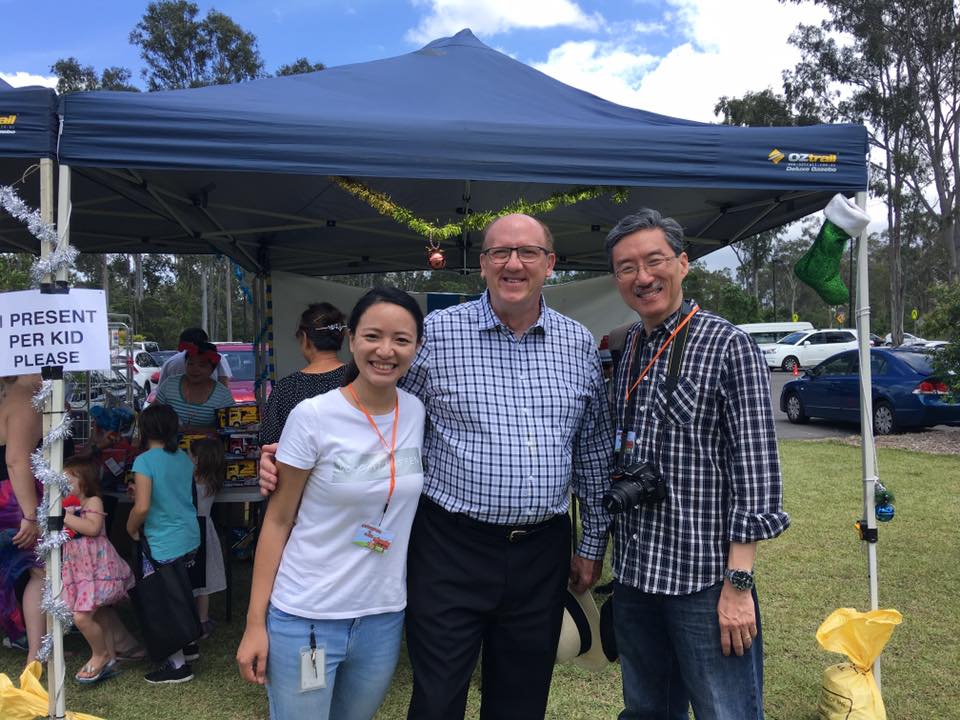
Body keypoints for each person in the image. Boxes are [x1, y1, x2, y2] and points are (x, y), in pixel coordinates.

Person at [259, 214, 612, 720]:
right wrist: (293, 453)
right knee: (438, 697)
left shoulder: (578, 344)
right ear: (483, 264)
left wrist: (592, 542)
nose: (513, 263)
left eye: (528, 252)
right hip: (450, 548)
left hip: (542, 551)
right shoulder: (435, 336)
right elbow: (370, 403)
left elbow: (592, 449)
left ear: (550, 263)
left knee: (523, 697)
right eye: (500, 252)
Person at [604, 208, 790, 720]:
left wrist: (739, 586)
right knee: (646, 710)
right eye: (626, 267)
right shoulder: (628, 346)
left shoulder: (729, 345)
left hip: (704, 581)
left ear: (683, 263)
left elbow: (756, 472)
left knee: (725, 712)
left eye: (655, 261)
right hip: (636, 573)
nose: (643, 277)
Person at [237, 288, 426, 720]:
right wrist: (254, 624)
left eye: (401, 339)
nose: (386, 351)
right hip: (308, 616)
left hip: (382, 616)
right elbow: (278, 521)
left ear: (416, 347)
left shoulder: (417, 412)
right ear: (351, 339)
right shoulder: (313, 416)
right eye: (372, 336)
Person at [128, 403, 202, 684]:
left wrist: (129, 527)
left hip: (162, 539)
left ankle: (177, 664)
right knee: (182, 590)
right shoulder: (183, 457)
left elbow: (142, 506)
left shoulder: (144, 461)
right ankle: (190, 644)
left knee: (164, 599)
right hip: (187, 533)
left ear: (145, 429)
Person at [60, 456, 137, 684]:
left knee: (81, 617)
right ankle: (110, 659)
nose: (64, 485)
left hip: (96, 570)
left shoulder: (92, 502)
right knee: (101, 615)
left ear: (85, 481)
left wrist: (63, 517)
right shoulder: (68, 506)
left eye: (69, 480)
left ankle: (99, 654)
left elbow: (93, 528)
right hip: (80, 572)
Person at [0, 375, 44, 663]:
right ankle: (36, 653)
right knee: (42, 573)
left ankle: (28, 642)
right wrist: (30, 514)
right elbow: (16, 460)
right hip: (14, 498)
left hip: (10, 494)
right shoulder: (25, 398)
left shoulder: (10, 396)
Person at [259, 302, 347, 445]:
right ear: (341, 337)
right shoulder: (359, 380)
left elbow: (269, 442)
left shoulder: (286, 389)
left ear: (304, 338)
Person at [188, 437, 227, 640]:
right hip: (206, 527)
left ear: (197, 459)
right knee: (204, 581)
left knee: (191, 576)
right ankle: (203, 619)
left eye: (189, 455)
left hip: (191, 529)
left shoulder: (191, 481)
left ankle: (191, 619)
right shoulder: (213, 481)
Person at [153, 341, 234, 431]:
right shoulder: (170, 384)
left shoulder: (223, 395)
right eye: (190, 364)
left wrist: (195, 430)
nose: (195, 369)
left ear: (212, 369)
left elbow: (229, 427)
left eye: (202, 365)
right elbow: (151, 414)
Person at [158, 327, 232, 388]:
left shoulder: (171, 362)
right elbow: (224, 384)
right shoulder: (217, 358)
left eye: (202, 365)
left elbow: (161, 389)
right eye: (191, 364)